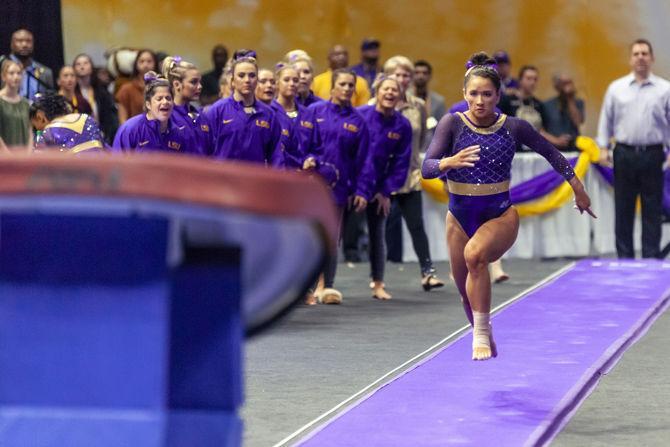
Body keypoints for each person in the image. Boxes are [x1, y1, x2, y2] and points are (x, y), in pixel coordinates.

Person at [422, 52, 595, 360]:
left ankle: (480, 333)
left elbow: (552, 154)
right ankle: (485, 333)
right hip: (459, 217)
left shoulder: (514, 127)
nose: (479, 100)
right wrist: (449, 162)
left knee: (475, 256)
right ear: (464, 94)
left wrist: (578, 188)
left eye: (487, 94)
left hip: (499, 214)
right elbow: (427, 167)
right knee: (464, 290)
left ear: (498, 95)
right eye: (473, 94)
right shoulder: (452, 123)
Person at [301, 68, 375, 304]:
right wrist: (307, 160)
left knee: (331, 238)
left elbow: (365, 160)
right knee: (310, 236)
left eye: (350, 85)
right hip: (312, 186)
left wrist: (362, 190)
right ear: (332, 87)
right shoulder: (313, 112)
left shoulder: (358, 122)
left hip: (340, 189)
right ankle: (306, 288)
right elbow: (302, 146)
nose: (346, 89)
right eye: (342, 84)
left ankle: (327, 287)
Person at [597, 38, 670, 259]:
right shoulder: (616, 88)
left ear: (652, 58)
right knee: (623, 208)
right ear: (630, 59)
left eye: (645, 53)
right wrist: (602, 147)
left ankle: (651, 258)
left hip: (653, 154)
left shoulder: (665, 89)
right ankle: (625, 258)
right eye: (636, 53)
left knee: (652, 209)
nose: (640, 57)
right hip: (624, 154)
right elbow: (606, 120)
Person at [383, 55, 445, 291]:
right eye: (397, 75)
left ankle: (427, 272)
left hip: (409, 174)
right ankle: (380, 276)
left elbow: (420, 142)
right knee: (383, 227)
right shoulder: (373, 106)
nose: (402, 79)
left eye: (405, 75)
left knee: (416, 225)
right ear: (387, 76)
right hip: (383, 177)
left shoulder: (417, 105)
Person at [358, 75, 412, 300]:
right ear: (376, 92)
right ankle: (322, 284)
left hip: (379, 188)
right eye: (385, 89)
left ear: (400, 96)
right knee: (334, 235)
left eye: (394, 91)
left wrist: (386, 191)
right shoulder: (360, 115)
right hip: (352, 185)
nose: (390, 94)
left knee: (378, 235)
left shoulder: (403, 125)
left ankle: (378, 283)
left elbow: (401, 163)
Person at [203, 50, 283, 166]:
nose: (247, 80)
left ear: (256, 81)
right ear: (232, 82)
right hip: (223, 180)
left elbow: (276, 157)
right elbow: (204, 152)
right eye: (241, 75)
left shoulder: (269, 115)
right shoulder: (217, 111)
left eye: (252, 75)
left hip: (255, 181)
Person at [112, 72, 191, 154]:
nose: (165, 102)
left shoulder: (179, 133)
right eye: (159, 99)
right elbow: (117, 162)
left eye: (168, 98)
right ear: (148, 104)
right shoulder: (130, 129)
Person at [161, 56, 209, 155]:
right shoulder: (166, 117)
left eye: (200, 82)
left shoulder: (201, 116)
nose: (200, 87)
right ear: (177, 84)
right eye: (193, 82)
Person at [30, 92, 106, 154]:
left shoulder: (49, 132)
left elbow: (36, 165)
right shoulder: (88, 119)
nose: (38, 131)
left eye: (35, 127)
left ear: (40, 117)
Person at [73, 53, 119, 144]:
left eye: (85, 63)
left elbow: (110, 117)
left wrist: (106, 133)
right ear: (74, 69)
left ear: (91, 67)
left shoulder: (102, 92)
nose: (82, 66)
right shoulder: (72, 93)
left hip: (101, 136)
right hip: (79, 138)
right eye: (78, 64)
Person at [270, 62, 304, 169]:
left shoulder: (308, 113)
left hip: (304, 173)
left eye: (295, 80)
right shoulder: (269, 112)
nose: (292, 84)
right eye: (286, 80)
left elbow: (316, 147)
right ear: (277, 83)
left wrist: (312, 159)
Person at [8, 28, 54, 100]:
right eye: (19, 41)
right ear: (11, 44)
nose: (24, 45)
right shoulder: (2, 67)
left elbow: (50, 100)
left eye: (28, 41)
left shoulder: (45, 72)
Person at [115, 49, 158, 124]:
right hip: (134, 132)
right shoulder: (126, 89)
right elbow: (123, 120)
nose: (145, 65)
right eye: (141, 61)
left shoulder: (163, 88)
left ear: (155, 64)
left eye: (149, 61)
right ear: (136, 64)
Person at [412, 59, 447, 151]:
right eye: (417, 72)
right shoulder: (405, 98)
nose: (421, 76)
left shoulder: (438, 101)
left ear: (430, 76)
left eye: (424, 73)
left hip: (429, 145)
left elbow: (442, 129)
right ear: (412, 75)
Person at [0, 59, 32, 150]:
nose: (16, 77)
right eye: (11, 73)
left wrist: (28, 154)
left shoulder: (25, 103)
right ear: (3, 76)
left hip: (24, 157)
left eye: (19, 73)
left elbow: (29, 131)